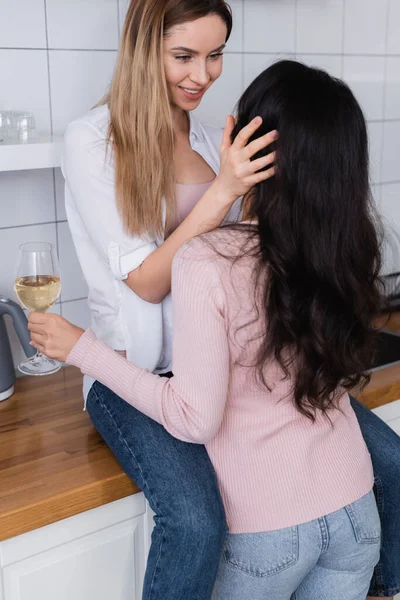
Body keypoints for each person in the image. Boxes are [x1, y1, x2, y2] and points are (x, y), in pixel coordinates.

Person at [33, 1, 400, 598]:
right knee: (198, 522)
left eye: (215, 55)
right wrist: (225, 189)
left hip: (226, 372)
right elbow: (151, 281)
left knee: (387, 460)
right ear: (142, 49)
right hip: (138, 374)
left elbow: (255, 260)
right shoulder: (95, 140)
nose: (201, 75)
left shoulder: (209, 140)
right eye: (184, 55)